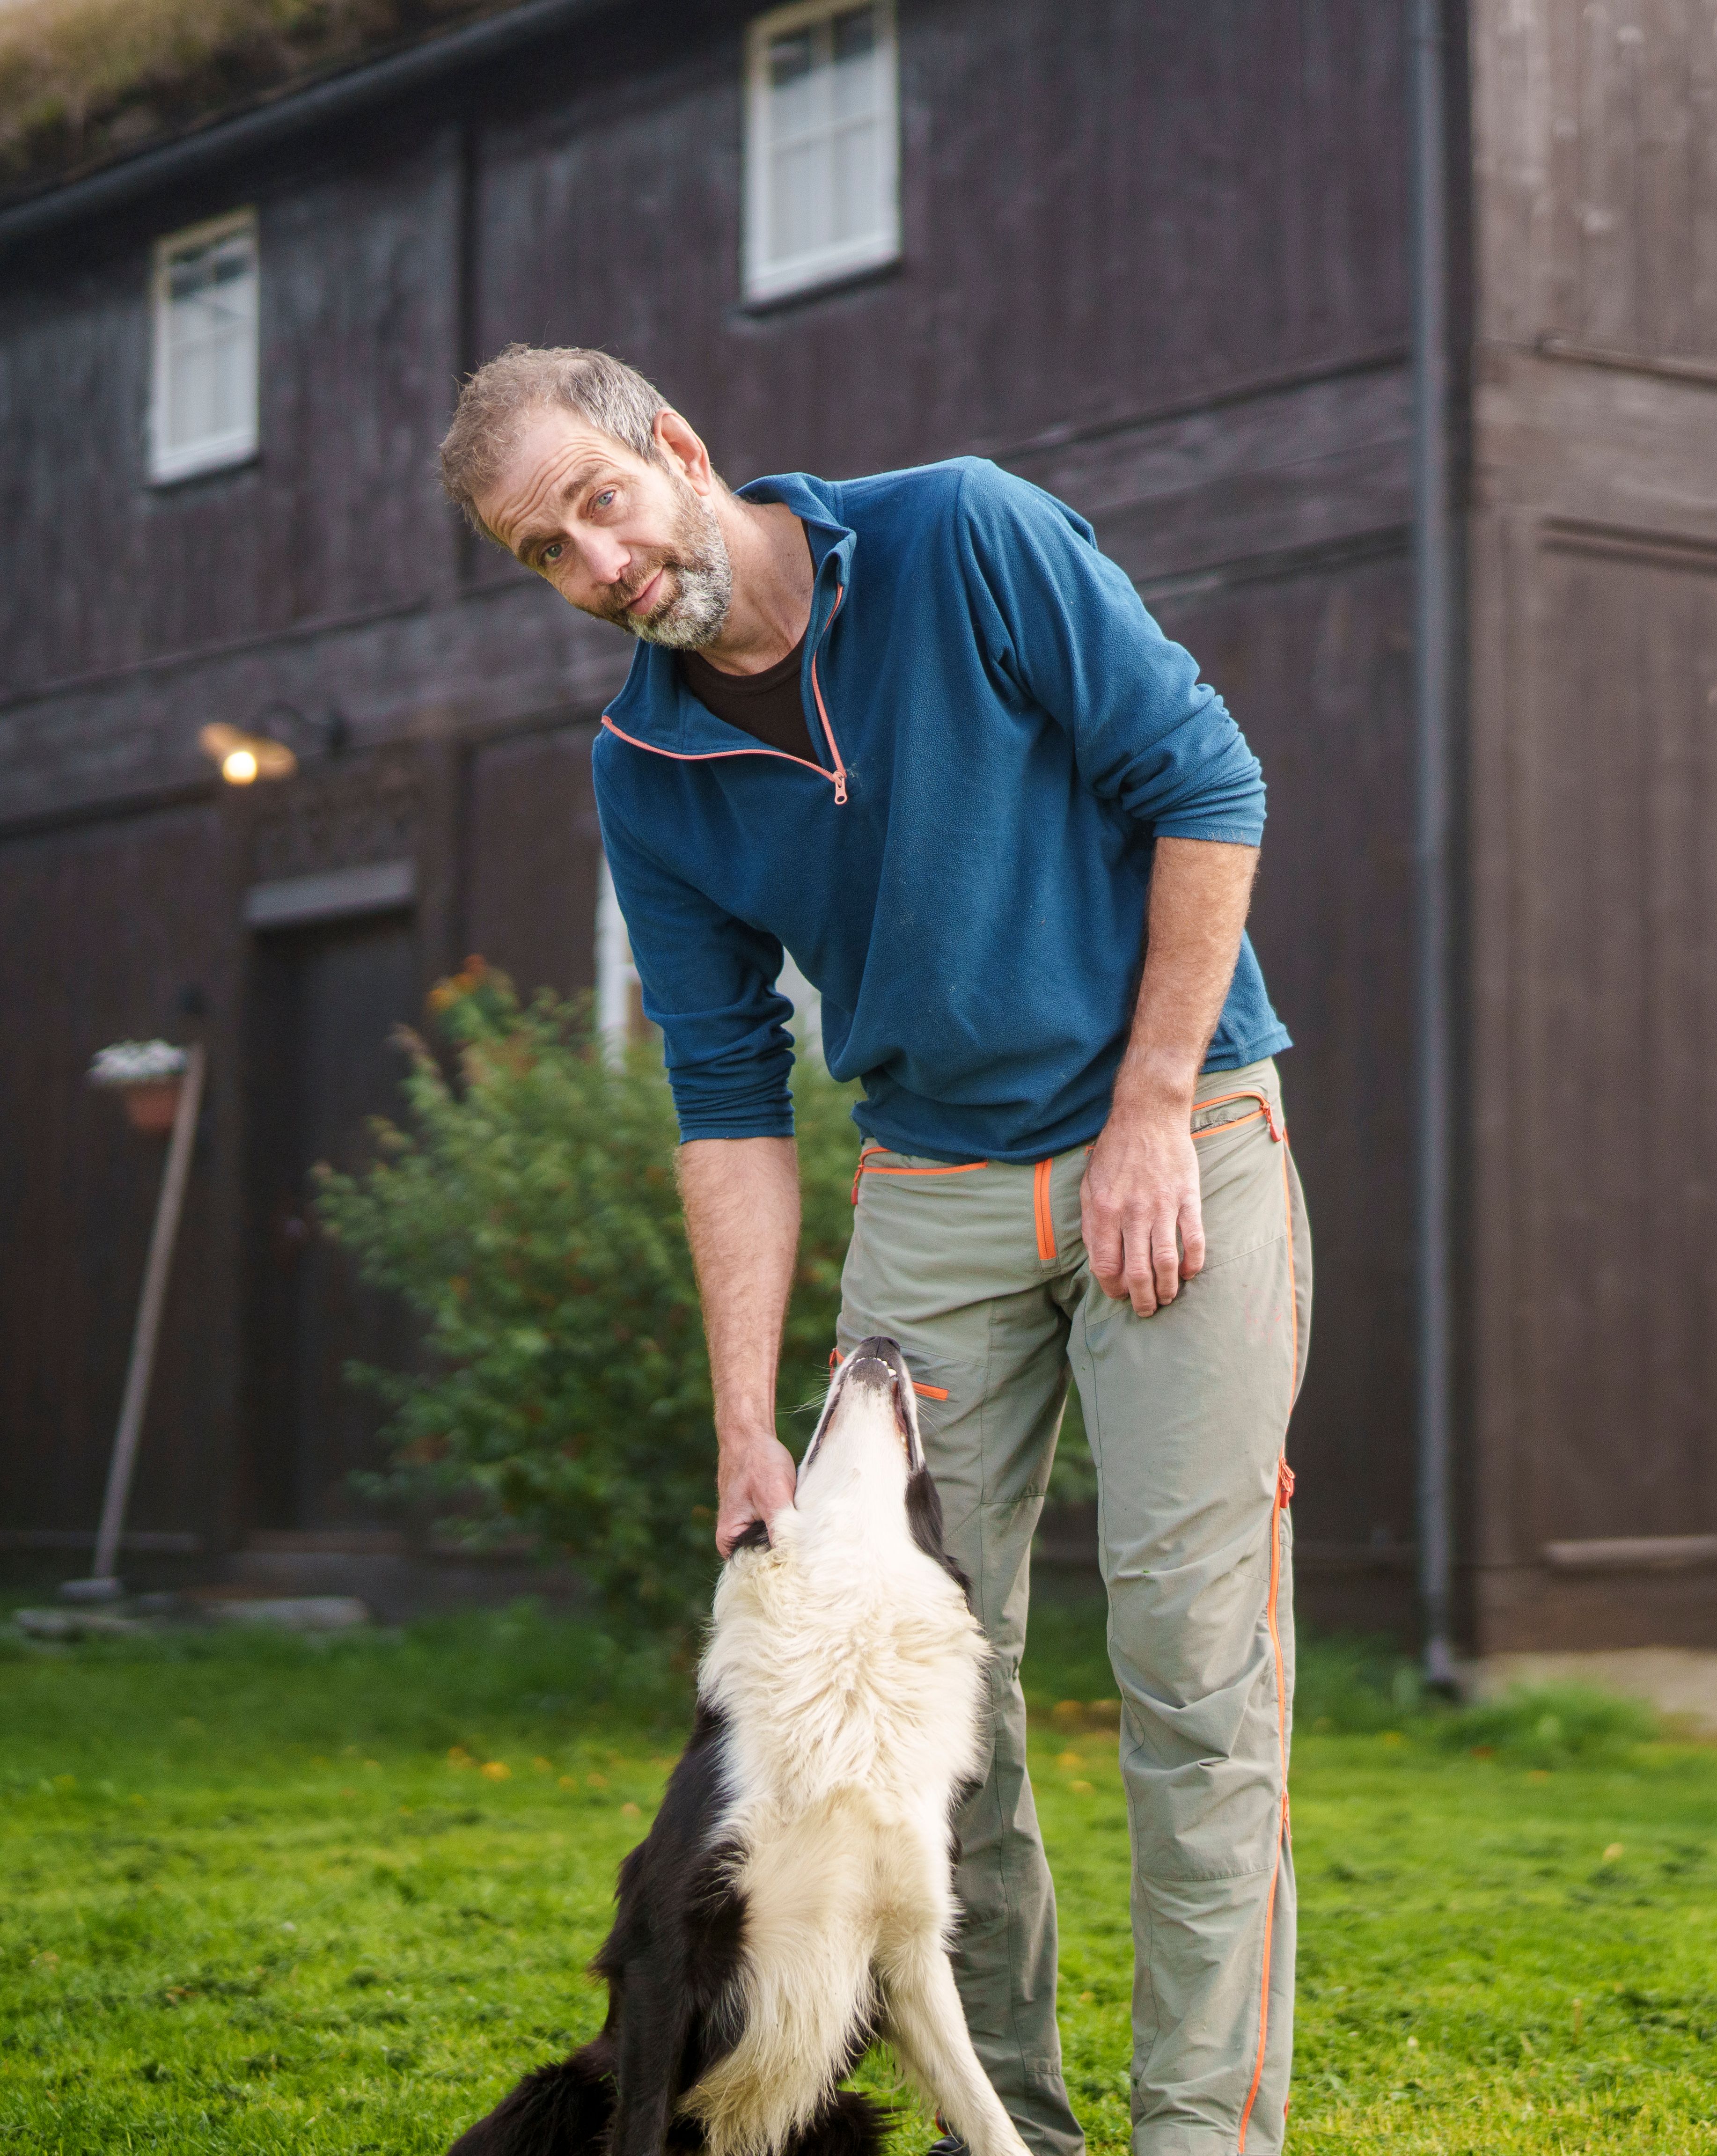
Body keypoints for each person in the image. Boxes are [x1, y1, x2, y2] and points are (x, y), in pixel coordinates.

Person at [437, 345, 1305, 2156]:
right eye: (545, 555)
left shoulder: (965, 537)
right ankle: (1021, 2138)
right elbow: (726, 1094)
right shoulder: (644, 766)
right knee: (911, 1709)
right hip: (932, 1187)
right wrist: (743, 1422)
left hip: (1181, 1129)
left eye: (599, 503)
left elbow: (1208, 785)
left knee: (1194, 1676)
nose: (598, 565)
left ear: (678, 446)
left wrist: (1154, 1107)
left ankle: (1200, 2142)